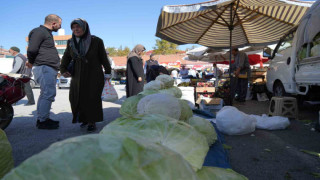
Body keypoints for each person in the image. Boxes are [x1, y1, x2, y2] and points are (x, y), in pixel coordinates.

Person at [60, 18, 111, 132]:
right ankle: (83, 118)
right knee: (76, 97)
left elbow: (103, 58)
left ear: (84, 27)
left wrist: (108, 72)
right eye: (73, 27)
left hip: (94, 74)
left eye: (78, 26)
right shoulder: (70, 42)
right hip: (77, 75)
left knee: (92, 98)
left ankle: (92, 121)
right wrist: (63, 69)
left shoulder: (96, 41)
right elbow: (66, 57)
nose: (75, 29)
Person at [26, 14, 62, 129]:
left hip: (47, 67)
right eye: (60, 25)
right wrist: (31, 62)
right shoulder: (39, 31)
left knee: (45, 93)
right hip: (44, 67)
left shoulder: (46, 33)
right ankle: (42, 121)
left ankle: (43, 118)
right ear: (53, 23)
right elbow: (32, 49)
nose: (60, 27)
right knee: (48, 93)